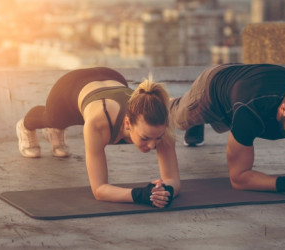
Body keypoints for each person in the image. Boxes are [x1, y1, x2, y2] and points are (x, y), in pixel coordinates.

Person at [16, 67, 180, 208]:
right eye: (145, 138)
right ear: (128, 123)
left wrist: (165, 191)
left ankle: (56, 131)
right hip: (70, 86)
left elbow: (172, 179)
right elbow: (99, 190)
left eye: (157, 138)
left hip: (112, 77)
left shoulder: (161, 119)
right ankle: (26, 125)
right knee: (51, 119)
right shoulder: (99, 123)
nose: (152, 145)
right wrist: (140, 195)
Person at [170, 63, 285, 195]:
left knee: (227, 123)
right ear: (283, 109)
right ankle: (168, 103)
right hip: (213, 87)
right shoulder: (250, 110)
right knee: (179, 119)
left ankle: (197, 122)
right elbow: (239, 178)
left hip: (243, 83)